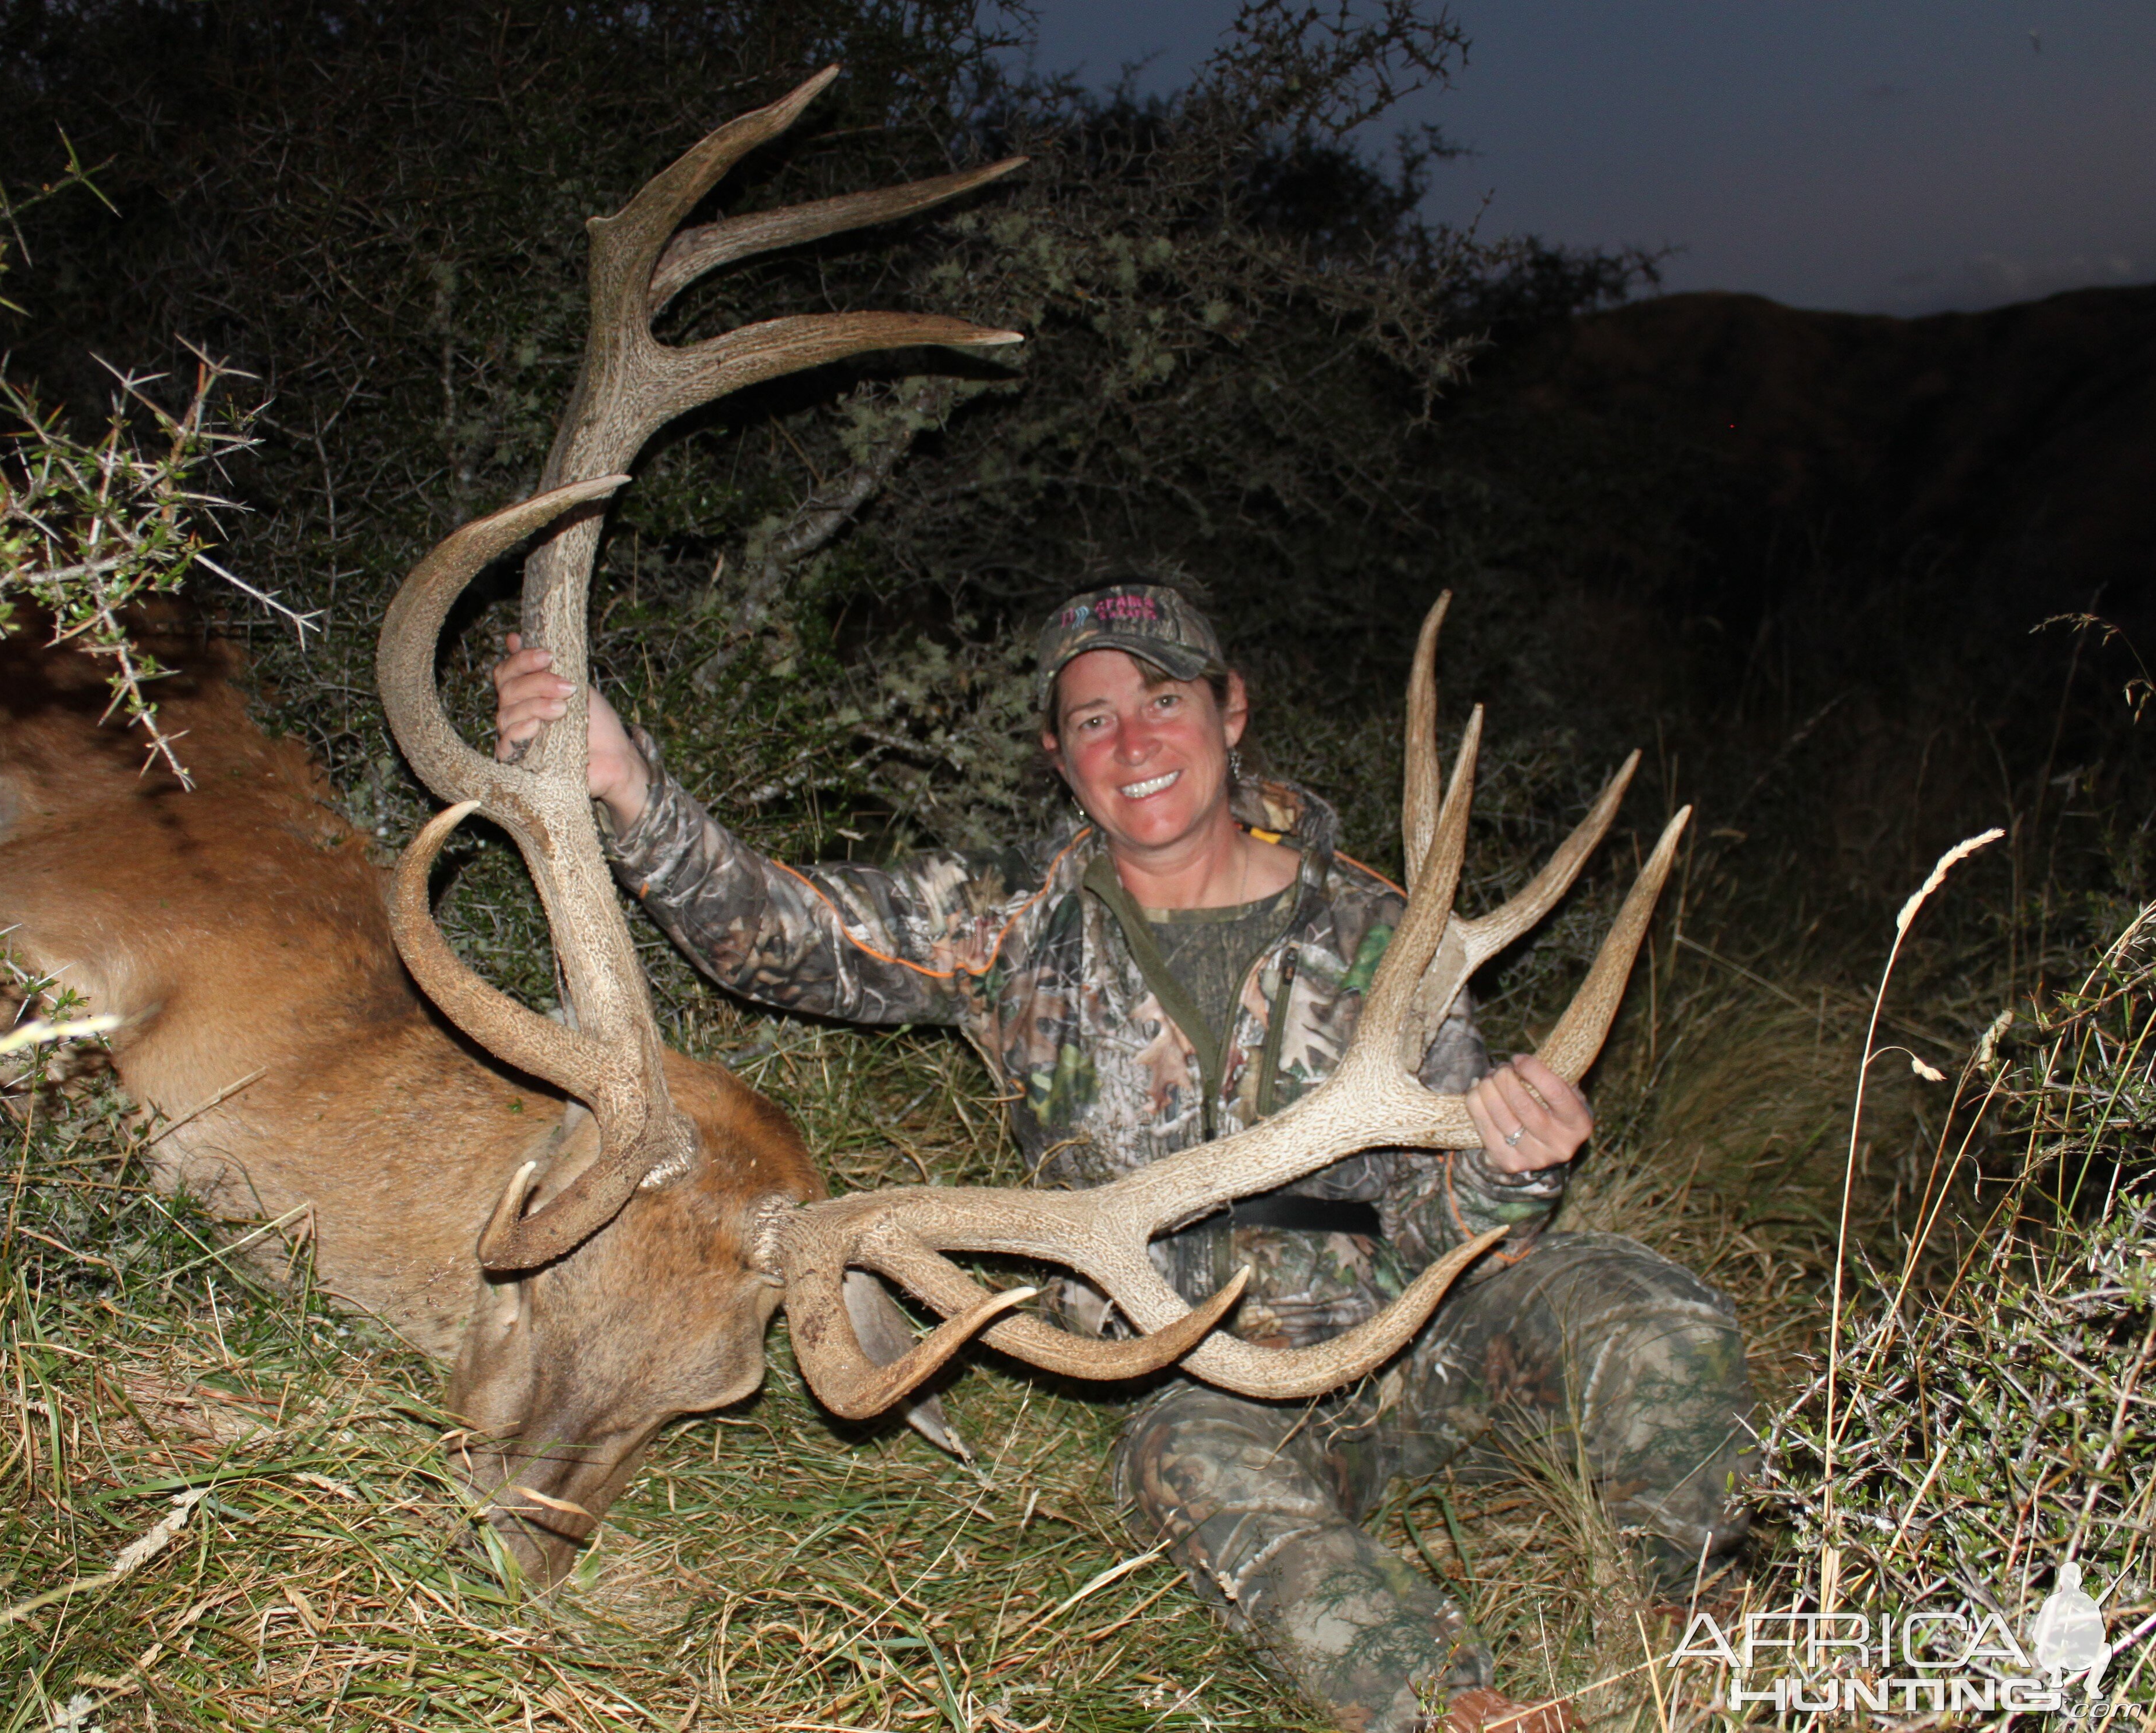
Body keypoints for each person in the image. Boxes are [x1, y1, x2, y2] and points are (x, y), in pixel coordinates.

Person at [493, 581, 1755, 1733]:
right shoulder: (1008, 917)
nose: (1134, 742)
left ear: (1228, 710)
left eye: (1163, 700)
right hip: (1205, 1378)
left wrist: (1509, 1165)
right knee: (1182, 1467)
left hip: (1420, 1331)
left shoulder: (1383, 926)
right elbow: (775, 939)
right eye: (1091, 720)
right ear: (1058, 757)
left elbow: (1452, 1230)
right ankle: (1455, 1708)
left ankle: (1684, 1624)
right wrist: (625, 782)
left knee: (1648, 1311)